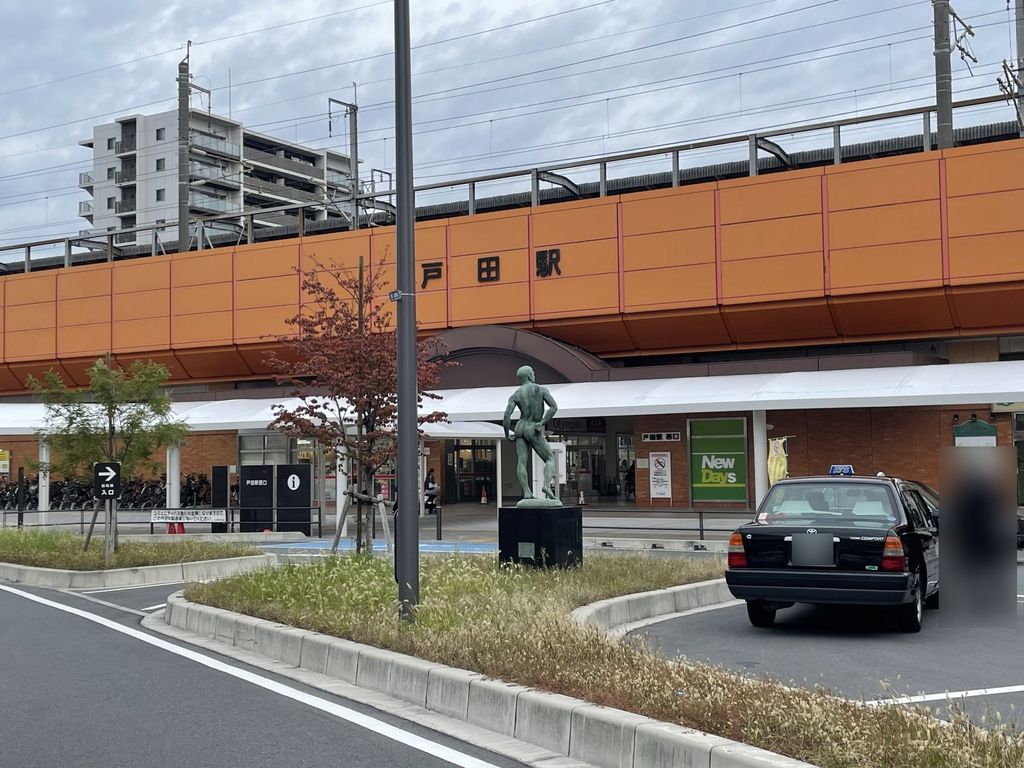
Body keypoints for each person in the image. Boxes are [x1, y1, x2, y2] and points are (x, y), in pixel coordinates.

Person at [503, 365, 558, 501]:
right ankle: (546, 486)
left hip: (520, 427)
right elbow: (553, 407)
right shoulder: (541, 389)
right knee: (550, 458)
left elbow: (507, 415)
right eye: (533, 373)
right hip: (533, 427)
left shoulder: (516, 394)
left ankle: (527, 492)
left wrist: (506, 433)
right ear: (529, 376)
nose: (534, 375)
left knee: (521, 462)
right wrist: (542, 422)